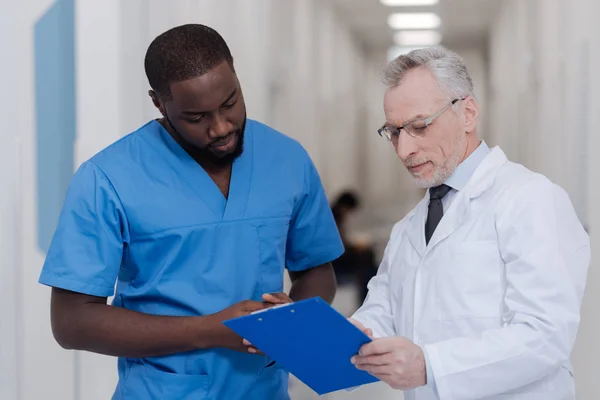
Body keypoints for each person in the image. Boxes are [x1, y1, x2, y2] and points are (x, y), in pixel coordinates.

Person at [38, 24, 343, 400]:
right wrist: (210, 330)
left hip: (264, 390)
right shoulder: (107, 178)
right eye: (196, 117)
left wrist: (293, 314)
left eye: (230, 103)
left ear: (234, 71)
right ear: (158, 103)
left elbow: (316, 267)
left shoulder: (287, 159)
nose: (221, 127)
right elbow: (72, 322)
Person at [348, 47, 590, 400]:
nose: (404, 150)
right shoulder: (408, 229)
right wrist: (343, 337)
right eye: (395, 132)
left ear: (468, 113)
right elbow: (382, 311)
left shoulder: (530, 199)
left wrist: (432, 365)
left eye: (419, 127)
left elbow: (545, 335)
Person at [330, 190, 378, 303]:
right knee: (368, 263)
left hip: (336, 257)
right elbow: (337, 245)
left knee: (368, 258)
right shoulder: (334, 217)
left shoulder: (335, 216)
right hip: (335, 262)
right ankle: (366, 300)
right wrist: (356, 248)